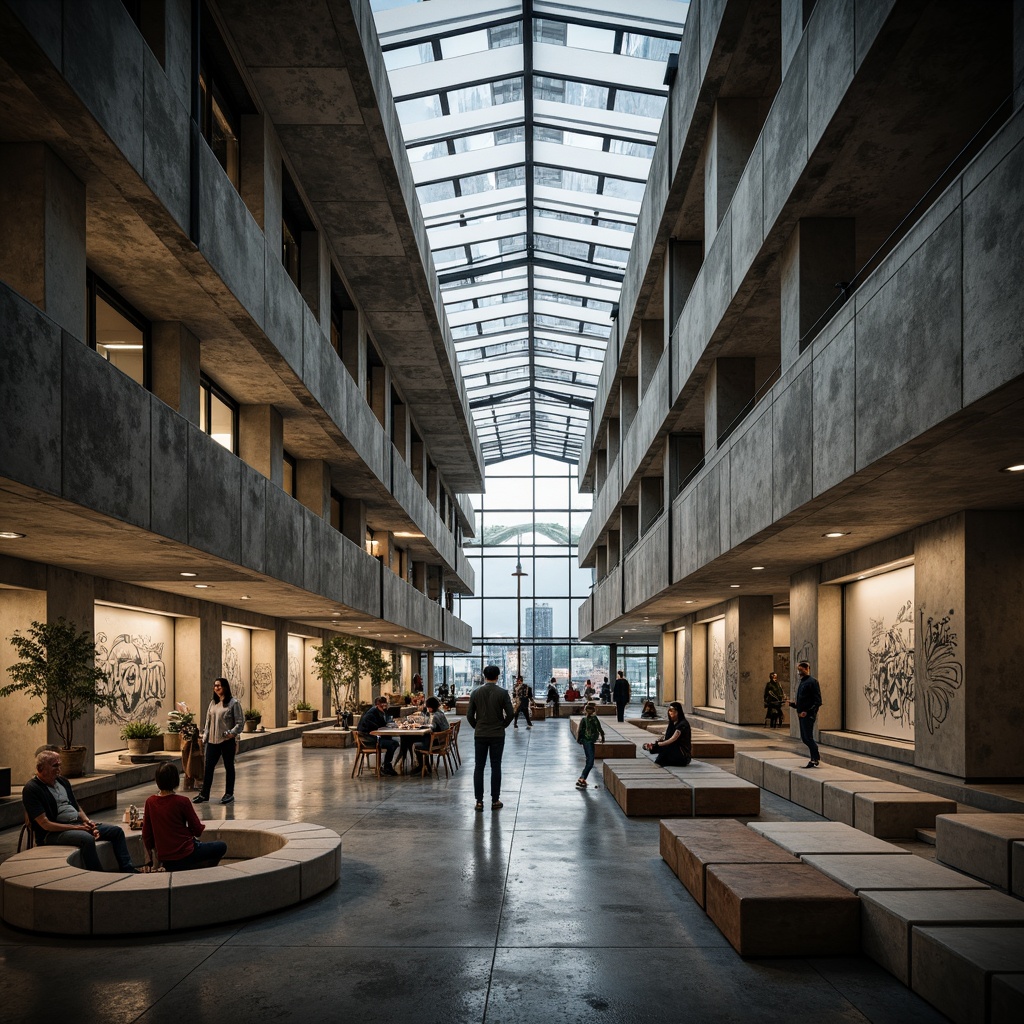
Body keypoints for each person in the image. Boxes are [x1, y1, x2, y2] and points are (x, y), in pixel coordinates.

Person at [23, 749, 136, 872]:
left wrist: (87, 822)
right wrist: (78, 828)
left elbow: (76, 806)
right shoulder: (32, 789)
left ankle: (128, 868)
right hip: (52, 833)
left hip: (76, 824)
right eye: (55, 766)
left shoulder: (62, 781)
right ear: (40, 769)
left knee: (116, 831)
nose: (59, 769)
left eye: (60, 765)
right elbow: (45, 824)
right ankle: (98, 875)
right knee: (87, 838)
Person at [142, 762, 227, 871]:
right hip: (186, 853)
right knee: (221, 846)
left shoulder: (150, 802)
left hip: (165, 858)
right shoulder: (182, 801)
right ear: (175, 780)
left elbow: (146, 834)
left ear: (157, 780)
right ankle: (198, 868)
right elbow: (197, 830)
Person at [467, 663, 513, 810]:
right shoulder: (503, 693)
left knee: (479, 767)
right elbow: (511, 714)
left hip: (480, 734)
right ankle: (495, 800)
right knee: (496, 766)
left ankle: (479, 802)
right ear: (497, 676)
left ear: (484, 676)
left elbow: (469, 715)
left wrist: (477, 726)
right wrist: (502, 725)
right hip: (497, 734)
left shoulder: (475, 693)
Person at [194, 677, 245, 804]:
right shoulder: (213, 703)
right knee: (209, 767)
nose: (217, 688)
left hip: (226, 741)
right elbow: (208, 722)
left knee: (229, 767)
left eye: (219, 686)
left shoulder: (234, 703)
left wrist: (231, 733)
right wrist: (205, 737)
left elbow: (240, 723)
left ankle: (229, 793)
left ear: (225, 687)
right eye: (215, 685)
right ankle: (204, 794)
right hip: (212, 741)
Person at [789, 661, 823, 767]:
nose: (799, 672)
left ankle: (815, 759)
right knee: (804, 737)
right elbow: (803, 700)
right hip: (801, 714)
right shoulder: (802, 682)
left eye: (801, 669)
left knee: (808, 737)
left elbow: (817, 701)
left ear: (807, 668)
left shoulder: (812, 682)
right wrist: (794, 704)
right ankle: (815, 758)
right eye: (798, 670)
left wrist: (807, 712)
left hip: (808, 715)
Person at [357, 695, 399, 776]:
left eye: (385, 705)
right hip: (367, 741)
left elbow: (382, 724)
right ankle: (386, 766)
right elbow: (375, 728)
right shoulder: (371, 714)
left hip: (371, 738)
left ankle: (386, 765)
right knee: (393, 743)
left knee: (391, 741)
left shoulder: (376, 712)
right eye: (382, 706)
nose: (385, 707)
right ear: (377, 705)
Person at [642, 701, 691, 767]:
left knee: (666, 747)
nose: (670, 713)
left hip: (682, 755)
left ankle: (653, 748)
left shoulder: (683, 724)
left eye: (672, 710)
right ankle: (651, 747)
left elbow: (673, 739)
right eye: (669, 710)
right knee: (662, 746)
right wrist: (658, 742)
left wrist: (659, 744)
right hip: (674, 750)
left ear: (677, 712)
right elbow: (667, 736)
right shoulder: (672, 723)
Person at [414, 696, 450, 770]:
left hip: (435, 743)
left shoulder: (435, 716)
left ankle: (422, 766)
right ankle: (426, 765)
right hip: (443, 741)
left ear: (431, 707)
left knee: (415, 745)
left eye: (428, 707)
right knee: (422, 739)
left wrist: (421, 726)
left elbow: (431, 727)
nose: (427, 709)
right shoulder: (440, 713)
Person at [575, 701, 605, 789]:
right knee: (590, 761)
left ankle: (583, 779)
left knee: (589, 760)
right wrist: (602, 737)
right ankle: (582, 778)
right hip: (589, 741)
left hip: (586, 741)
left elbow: (580, 731)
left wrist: (579, 740)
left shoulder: (584, 719)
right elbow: (600, 729)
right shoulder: (594, 719)